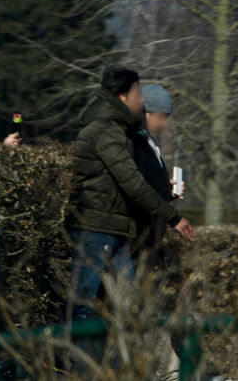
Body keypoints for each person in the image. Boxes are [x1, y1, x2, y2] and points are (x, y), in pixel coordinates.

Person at [66, 67, 194, 324]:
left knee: (125, 307)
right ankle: (73, 363)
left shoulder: (118, 130)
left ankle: (114, 365)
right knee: (84, 303)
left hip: (114, 229)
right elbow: (133, 183)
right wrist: (174, 218)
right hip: (97, 226)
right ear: (123, 96)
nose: (142, 99)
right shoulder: (107, 131)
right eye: (138, 93)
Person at [131, 84, 185, 381]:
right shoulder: (137, 144)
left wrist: (170, 195)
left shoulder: (149, 142)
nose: (165, 123)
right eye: (162, 116)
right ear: (147, 112)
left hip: (149, 243)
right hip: (138, 243)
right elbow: (143, 190)